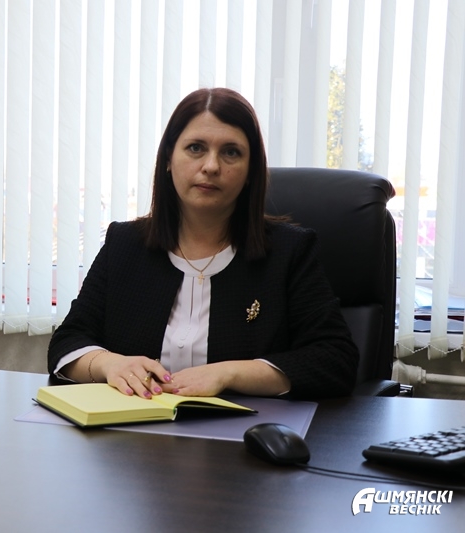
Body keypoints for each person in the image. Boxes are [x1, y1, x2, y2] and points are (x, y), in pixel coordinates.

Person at [47, 87, 359, 400]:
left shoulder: (289, 252)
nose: (211, 166)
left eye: (231, 152)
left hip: (246, 429)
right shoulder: (125, 244)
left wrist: (230, 373)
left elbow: (335, 359)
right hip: (135, 428)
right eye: (195, 148)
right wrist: (110, 364)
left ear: (250, 172)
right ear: (168, 159)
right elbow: (68, 341)